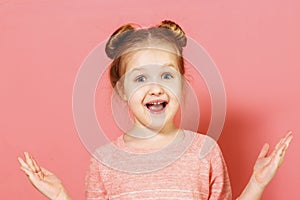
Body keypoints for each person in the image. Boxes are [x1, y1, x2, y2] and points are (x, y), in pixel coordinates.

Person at [18, 20, 293, 200]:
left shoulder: (205, 151)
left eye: (166, 76)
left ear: (182, 84)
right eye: (140, 78)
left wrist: (257, 183)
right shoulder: (105, 160)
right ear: (122, 90)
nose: (156, 88)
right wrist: (61, 197)